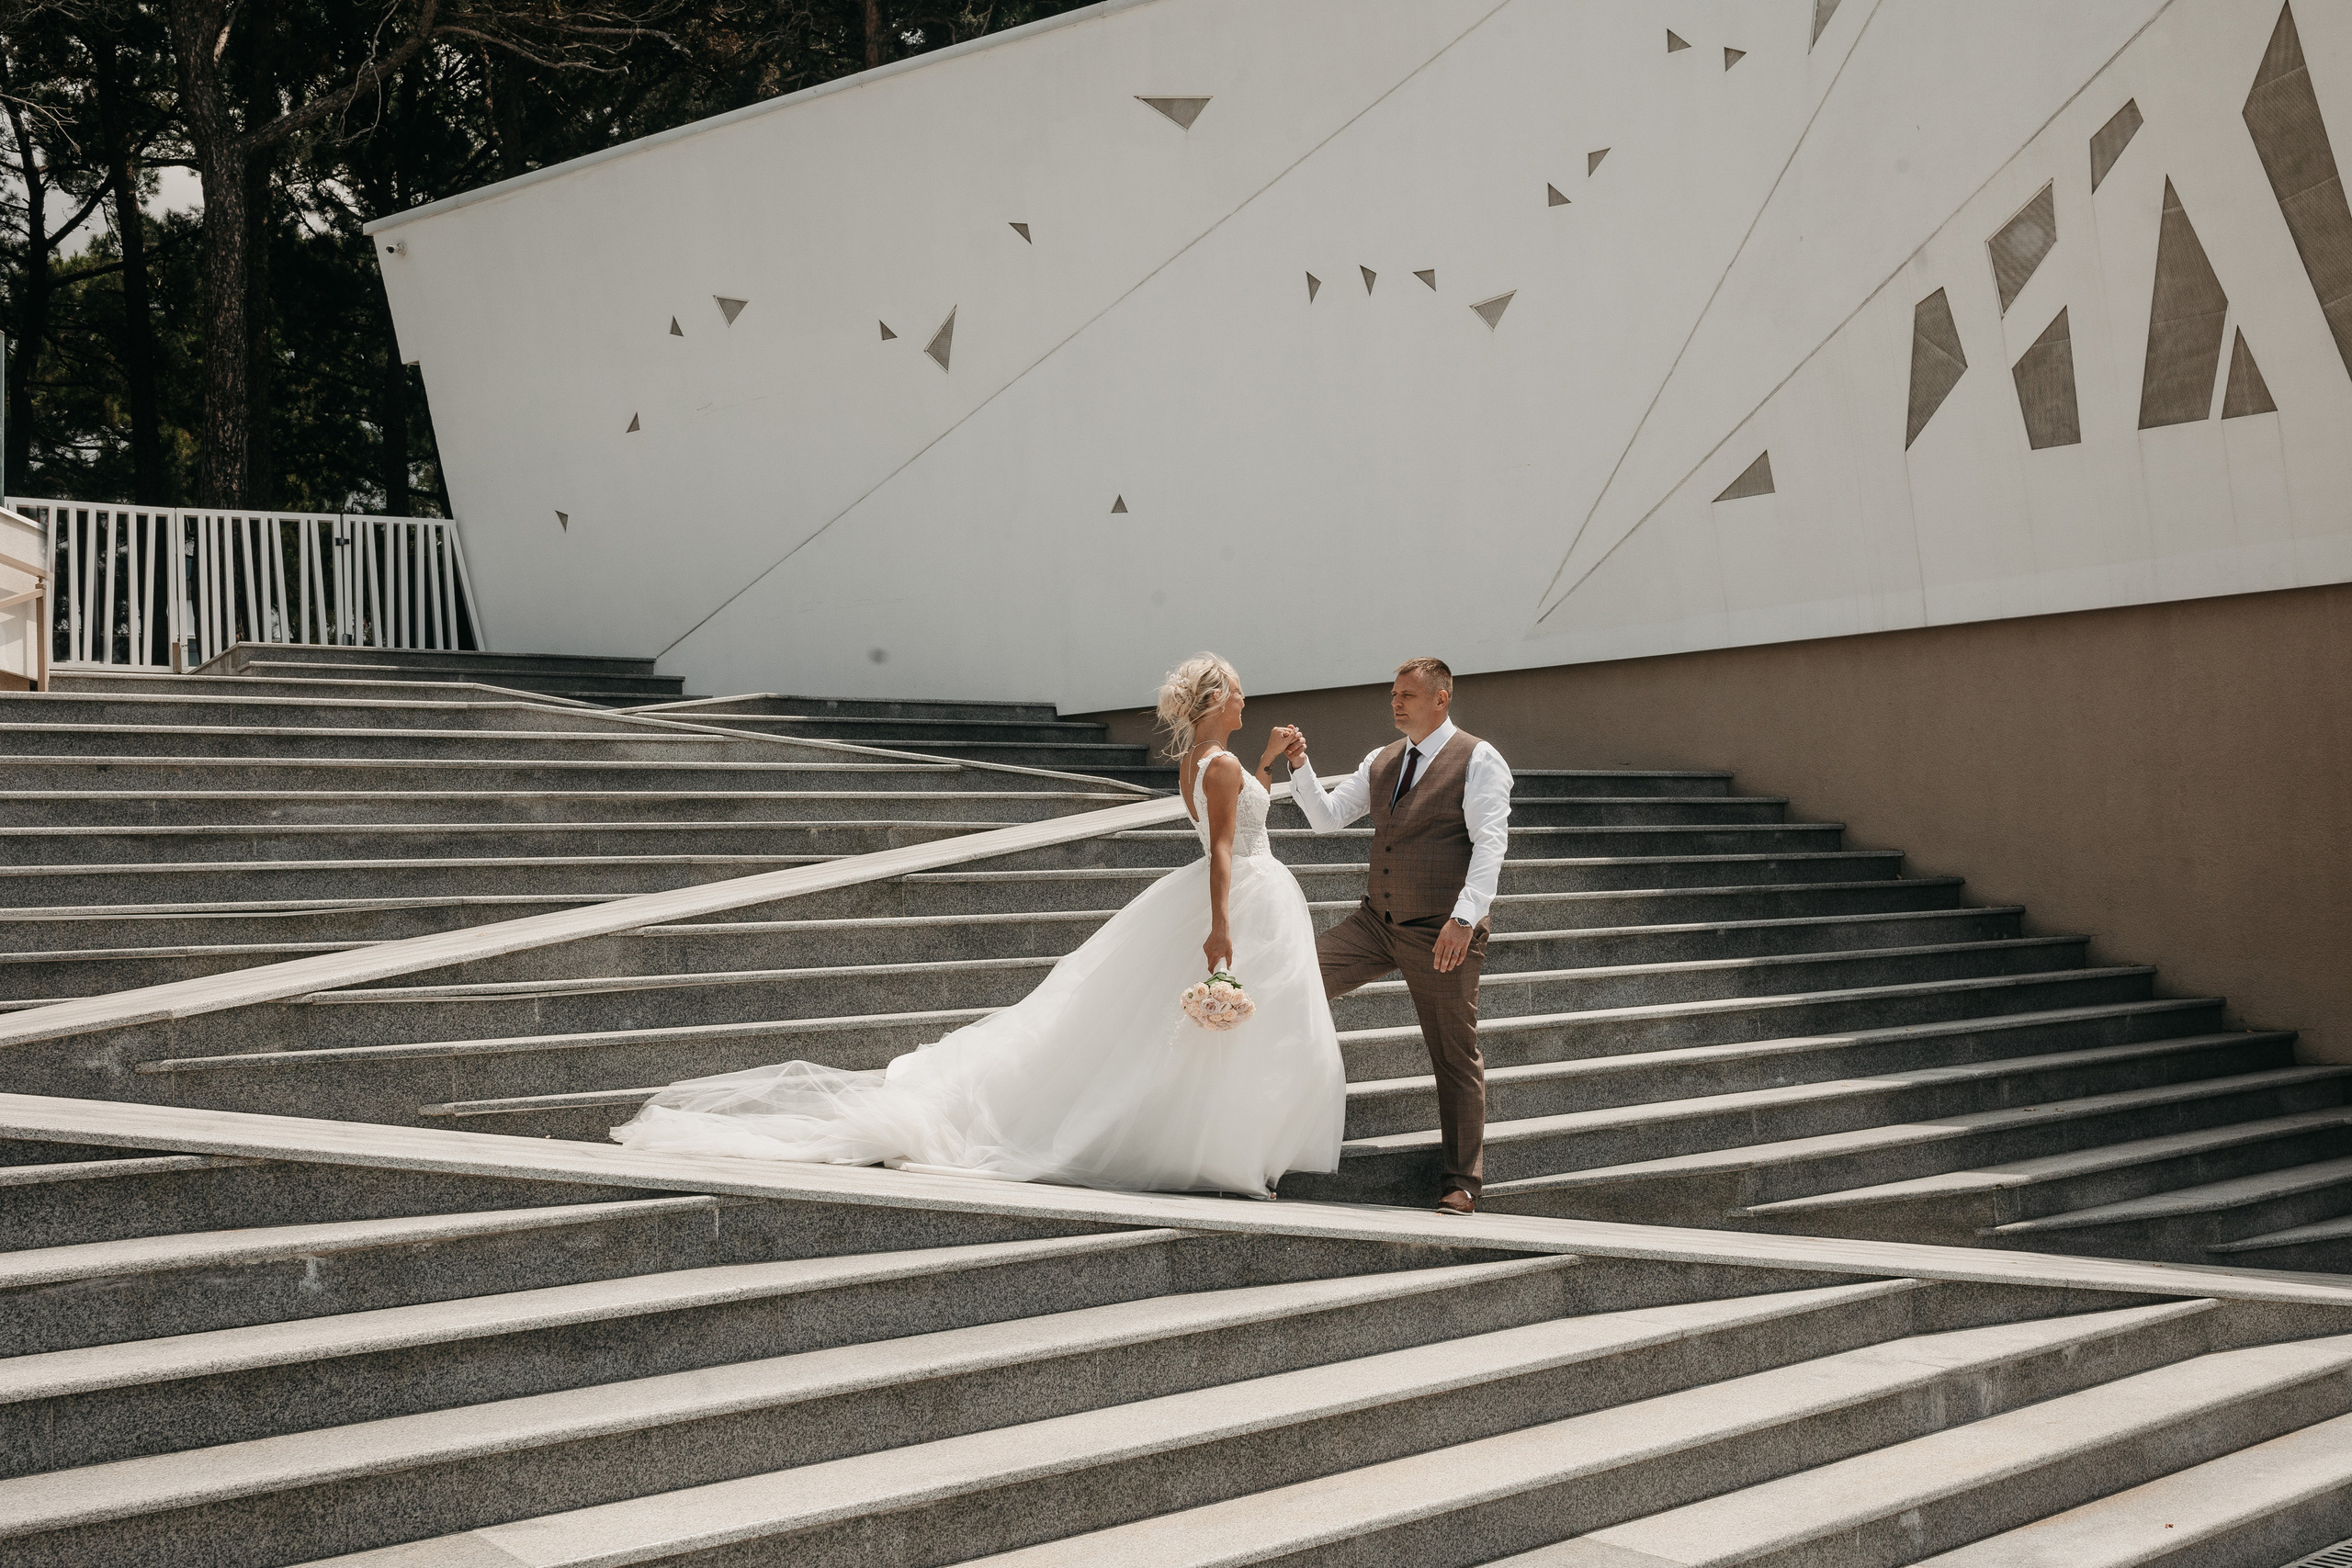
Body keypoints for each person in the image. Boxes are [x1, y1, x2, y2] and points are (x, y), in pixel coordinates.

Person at [610, 653, 1346, 1198]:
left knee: (1222, 1033)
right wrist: (1219, 932)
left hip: (1249, 885)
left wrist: (1268, 763)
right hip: (1239, 897)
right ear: (1218, 697)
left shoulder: (1210, 764)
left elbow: (1241, 811)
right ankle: (1218, 1147)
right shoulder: (1217, 770)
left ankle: (1228, 1146)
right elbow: (1224, 847)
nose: (1249, 693)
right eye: (1239, 686)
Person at [1284, 657, 1511, 1214]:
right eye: (1393, 693)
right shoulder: (1382, 760)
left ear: (1441, 698)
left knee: (1454, 1055)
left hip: (1441, 931)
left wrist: (1464, 920)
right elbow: (1328, 817)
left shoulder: (1478, 758)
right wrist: (1300, 765)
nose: (1397, 702)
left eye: (1409, 694)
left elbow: (1490, 844)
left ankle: (1462, 1181)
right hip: (1376, 922)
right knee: (1295, 982)